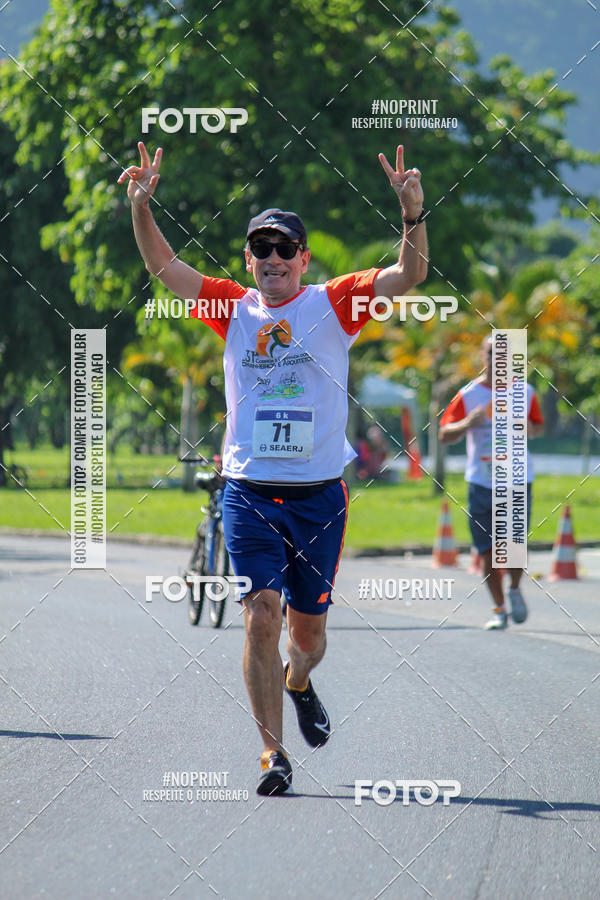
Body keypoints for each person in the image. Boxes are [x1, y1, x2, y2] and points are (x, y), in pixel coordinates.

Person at [119, 142, 428, 795]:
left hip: (318, 498)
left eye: (285, 249)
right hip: (250, 492)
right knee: (260, 613)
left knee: (306, 637)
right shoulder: (232, 307)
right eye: (262, 249)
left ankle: (299, 681)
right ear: (249, 260)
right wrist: (143, 208)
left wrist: (412, 214)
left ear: (303, 259)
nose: (273, 260)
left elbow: (410, 276)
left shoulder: (334, 303)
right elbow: (164, 267)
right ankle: (271, 755)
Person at [439, 336, 544, 630]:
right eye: (491, 353)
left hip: (518, 480)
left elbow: (538, 428)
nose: (497, 359)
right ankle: (499, 609)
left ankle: (514, 587)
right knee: (486, 549)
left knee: (513, 545)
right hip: (481, 482)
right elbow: (444, 434)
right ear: (482, 356)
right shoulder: (468, 394)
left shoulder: (526, 391)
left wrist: (526, 426)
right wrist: (467, 423)